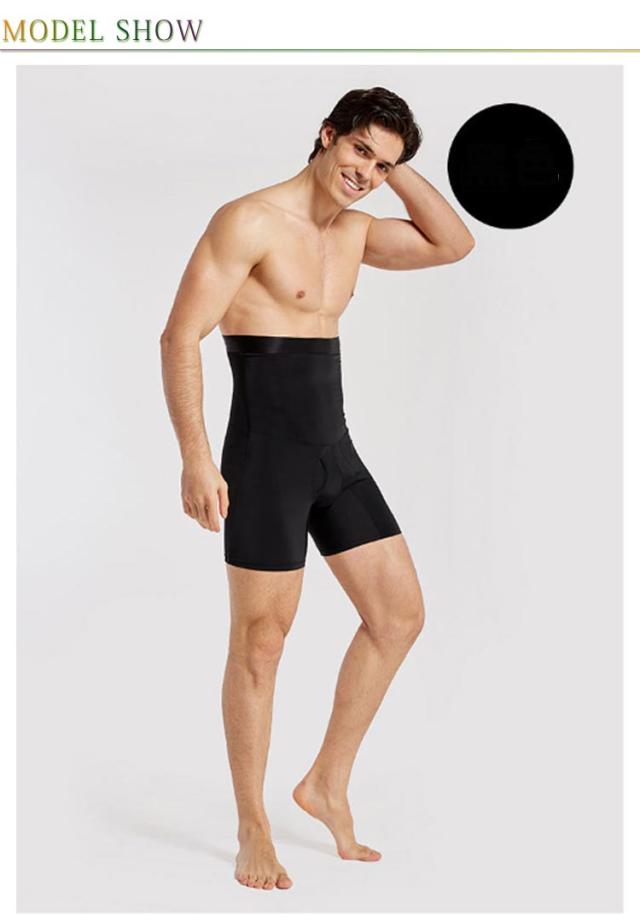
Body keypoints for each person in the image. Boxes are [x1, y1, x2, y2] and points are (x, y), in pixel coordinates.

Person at [160, 86, 475, 891]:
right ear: (327, 134)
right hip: (263, 459)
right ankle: (252, 823)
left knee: (399, 615)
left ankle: (325, 782)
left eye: (384, 164)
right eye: (360, 150)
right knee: (261, 644)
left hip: (335, 453)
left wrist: (398, 169)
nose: (366, 172)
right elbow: (180, 334)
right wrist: (196, 457)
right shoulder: (249, 220)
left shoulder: (358, 232)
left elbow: (454, 244)